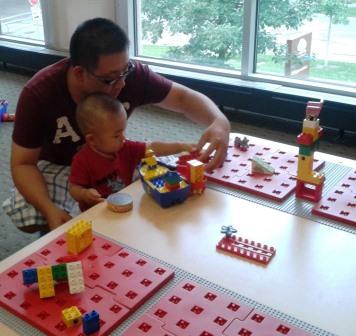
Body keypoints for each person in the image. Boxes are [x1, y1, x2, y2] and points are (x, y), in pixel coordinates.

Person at [3, 17, 230, 233]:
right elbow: (23, 164)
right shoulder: (40, 93)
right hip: (59, 165)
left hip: (112, 154)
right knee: (30, 213)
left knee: (164, 179)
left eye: (126, 70)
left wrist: (218, 121)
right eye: (110, 78)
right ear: (80, 73)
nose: (122, 83)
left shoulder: (127, 76)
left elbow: (183, 98)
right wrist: (49, 210)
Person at [69, 93, 195, 211]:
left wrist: (181, 146)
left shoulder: (125, 147)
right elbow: (74, 188)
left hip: (124, 202)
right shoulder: (82, 160)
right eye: (116, 135)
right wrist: (84, 194)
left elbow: (153, 148)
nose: (123, 138)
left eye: (123, 131)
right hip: (97, 211)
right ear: (92, 139)